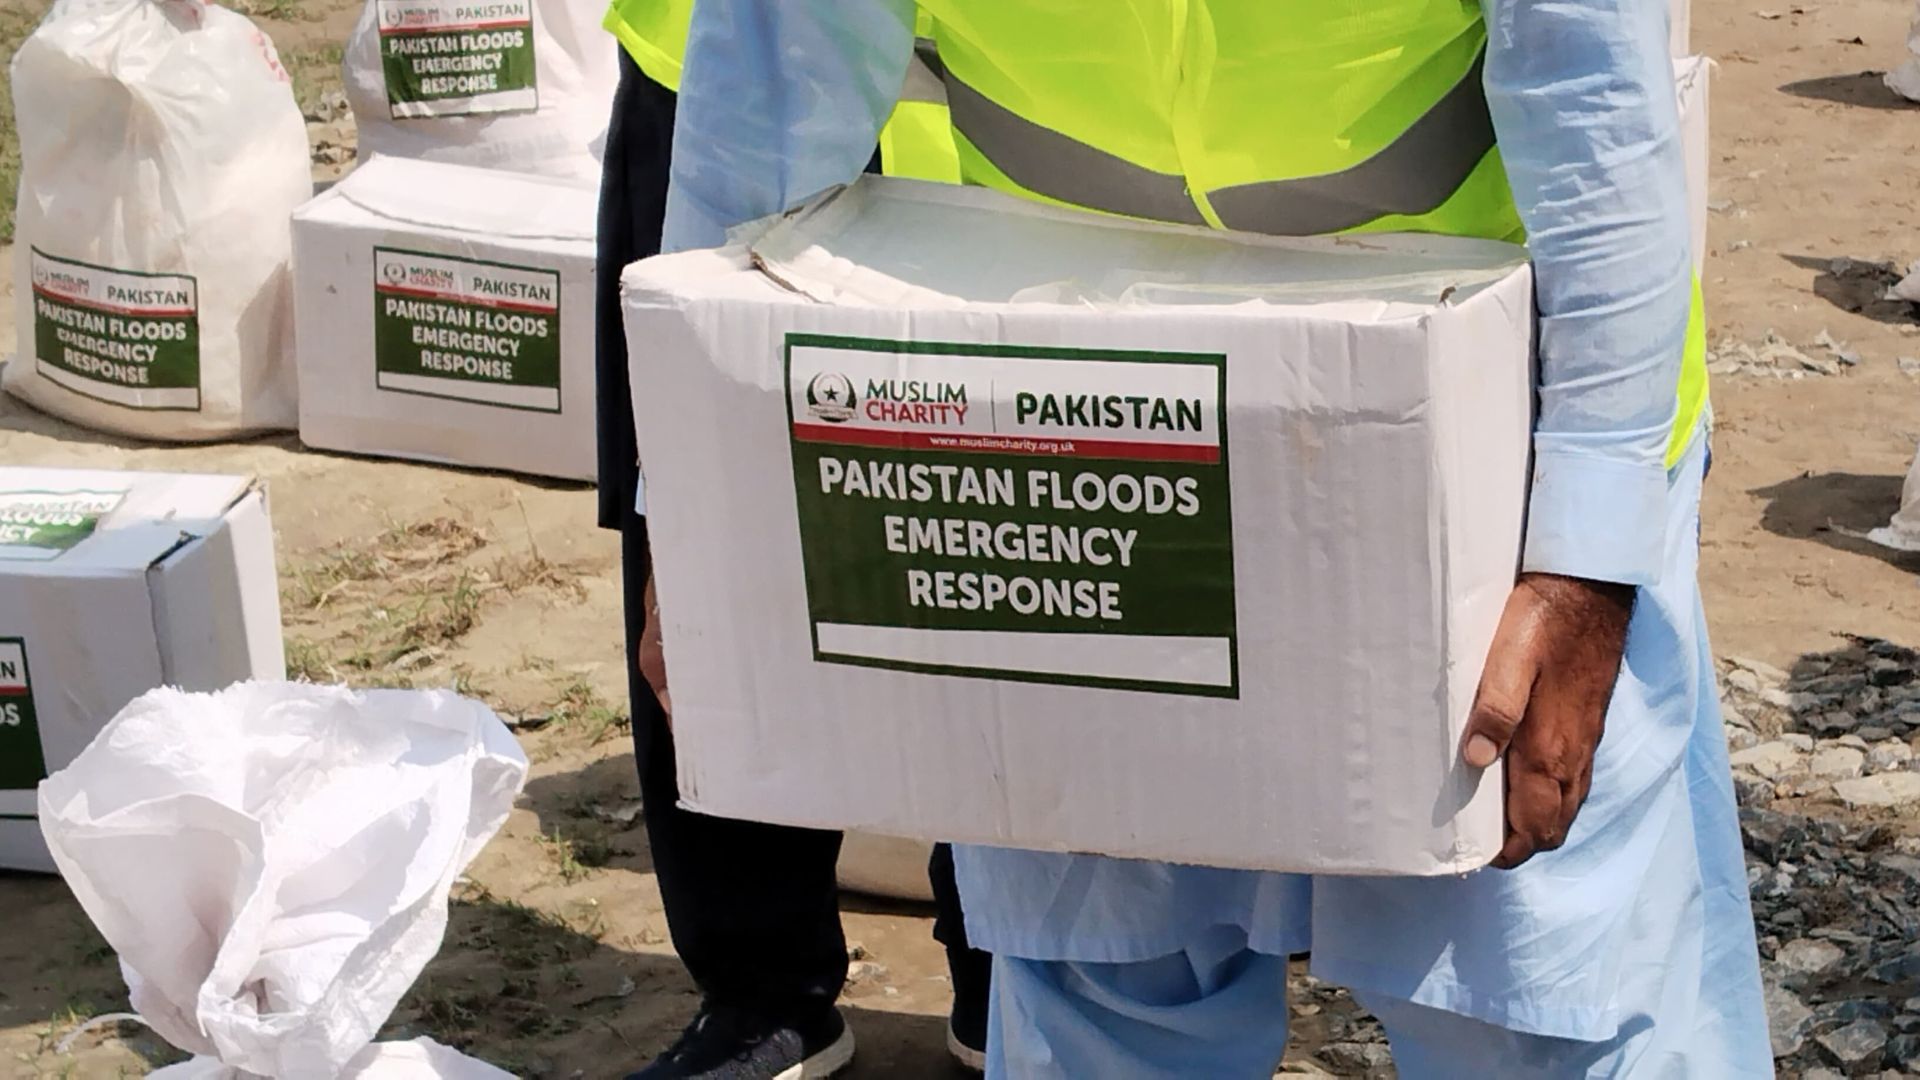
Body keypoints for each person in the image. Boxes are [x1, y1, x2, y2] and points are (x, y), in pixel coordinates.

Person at [653, 1, 1772, 1076]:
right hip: (1087, 405)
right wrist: (700, 508)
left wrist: (1584, 560)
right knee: (1105, 972)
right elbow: (763, 109)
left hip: (1485, 433)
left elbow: (1595, 115)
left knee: (1528, 993)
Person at [593, 3, 985, 1077]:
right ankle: (761, 985)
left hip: (1006, 97)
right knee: (704, 524)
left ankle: (1014, 968)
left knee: (1000, 540)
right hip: (714, 67)